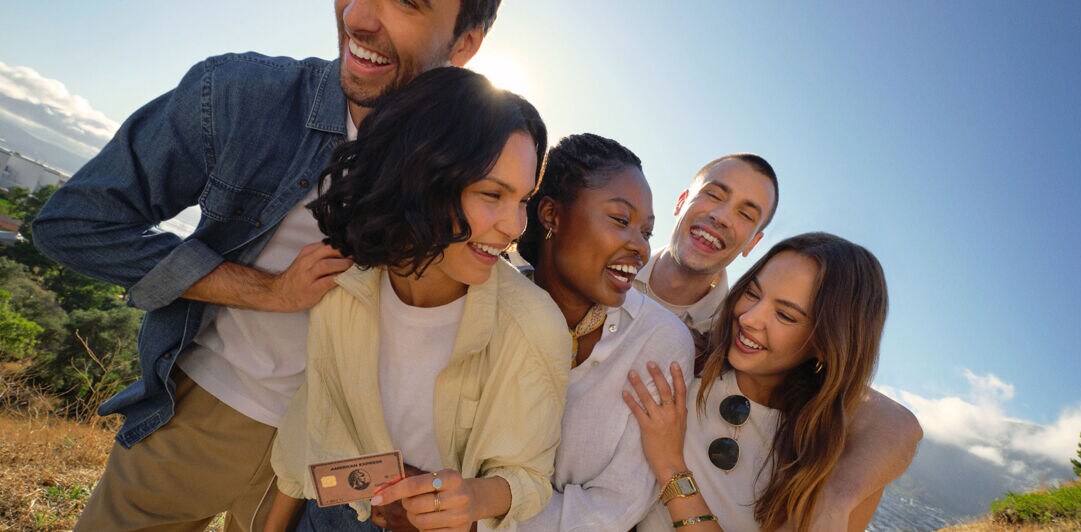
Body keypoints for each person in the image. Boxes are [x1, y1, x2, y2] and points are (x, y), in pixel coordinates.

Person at [31, 1, 504, 529]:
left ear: (465, 43)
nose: (358, 18)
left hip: (342, 464)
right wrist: (267, 290)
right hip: (207, 416)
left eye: (407, 3)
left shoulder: (476, 161)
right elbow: (76, 224)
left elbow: (492, 293)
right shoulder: (240, 94)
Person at [266, 67, 567, 531]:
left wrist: (467, 501)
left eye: (523, 200)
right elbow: (312, 438)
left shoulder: (532, 323)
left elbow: (529, 479)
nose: (514, 226)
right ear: (421, 176)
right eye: (492, 194)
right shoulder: (344, 288)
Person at [635, 155, 922, 526]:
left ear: (827, 342)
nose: (749, 318)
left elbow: (898, 424)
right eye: (752, 293)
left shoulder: (827, 458)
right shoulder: (696, 358)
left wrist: (834, 501)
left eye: (786, 315)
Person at [508, 133, 696, 530]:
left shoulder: (660, 343)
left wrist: (474, 518)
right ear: (551, 215)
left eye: (646, 232)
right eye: (620, 220)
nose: (641, 248)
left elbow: (613, 509)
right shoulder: (487, 296)